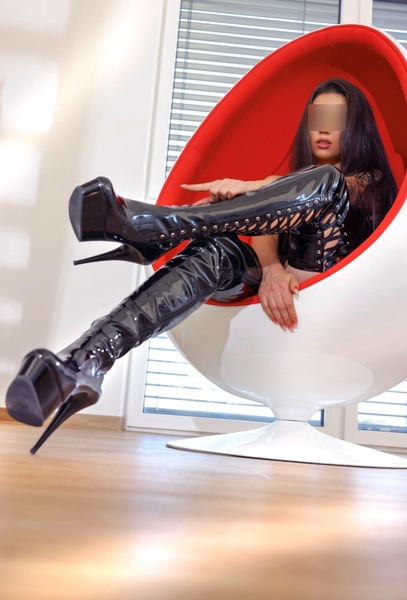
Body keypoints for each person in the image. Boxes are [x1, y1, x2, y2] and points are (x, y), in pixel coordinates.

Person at [6, 78, 397, 453]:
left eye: (337, 120)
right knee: (216, 249)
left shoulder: (370, 181)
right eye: (317, 119)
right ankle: (83, 362)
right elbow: (266, 230)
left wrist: (249, 188)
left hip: (332, 297)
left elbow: (334, 186)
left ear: (355, 129)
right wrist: (272, 269)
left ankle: (161, 226)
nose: (324, 129)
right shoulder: (287, 184)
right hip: (281, 285)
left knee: (323, 180)